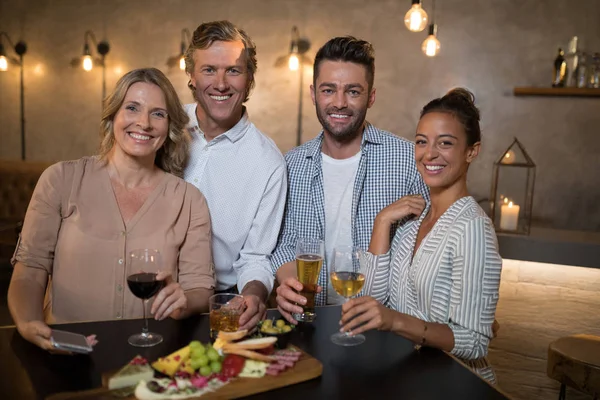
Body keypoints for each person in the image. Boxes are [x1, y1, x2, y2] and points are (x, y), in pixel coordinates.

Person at [8, 68, 215, 351]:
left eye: (158, 113)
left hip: (153, 352)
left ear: (169, 127)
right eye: (132, 108)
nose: (144, 123)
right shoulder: (60, 180)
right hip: (68, 353)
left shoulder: (190, 200)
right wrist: (29, 323)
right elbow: (30, 270)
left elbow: (200, 287)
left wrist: (184, 301)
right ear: (113, 116)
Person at [340, 88, 502, 384]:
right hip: (407, 373)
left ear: (472, 151)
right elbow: (370, 299)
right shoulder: (412, 219)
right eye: (421, 142)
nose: (430, 154)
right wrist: (382, 221)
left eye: (446, 143)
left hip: (454, 382)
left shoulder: (473, 229)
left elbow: (475, 342)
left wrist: (395, 321)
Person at [271, 36, 429, 323]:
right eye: (328, 90)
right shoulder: (290, 165)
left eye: (353, 91)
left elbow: (430, 244)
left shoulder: (408, 161)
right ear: (313, 94)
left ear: (371, 96)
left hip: (384, 327)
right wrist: (289, 287)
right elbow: (283, 243)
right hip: (310, 320)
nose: (339, 103)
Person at [183, 21, 287, 331]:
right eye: (209, 70)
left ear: (250, 79)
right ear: (191, 75)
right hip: (145, 294)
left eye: (233, 70)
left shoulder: (269, 162)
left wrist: (253, 295)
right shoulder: (162, 127)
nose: (221, 83)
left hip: (219, 306)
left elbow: (256, 255)